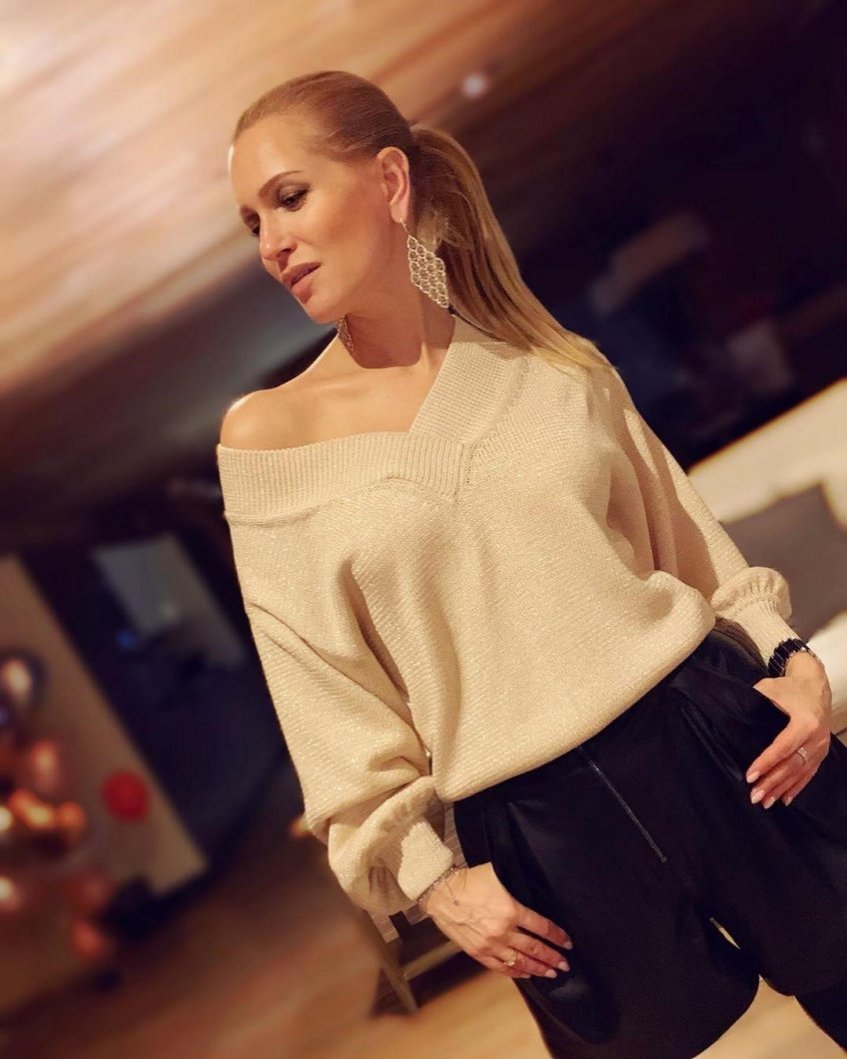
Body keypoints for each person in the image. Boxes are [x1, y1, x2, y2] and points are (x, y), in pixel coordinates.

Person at [215, 70, 847, 1057]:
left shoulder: (553, 365)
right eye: (253, 222)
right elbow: (320, 691)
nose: (271, 244)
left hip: (720, 734)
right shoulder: (267, 442)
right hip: (543, 831)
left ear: (389, 182)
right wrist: (429, 877)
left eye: (288, 197)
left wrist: (792, 664)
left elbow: (696, 554)